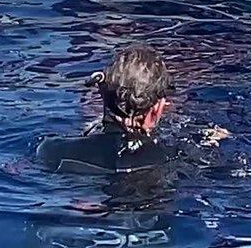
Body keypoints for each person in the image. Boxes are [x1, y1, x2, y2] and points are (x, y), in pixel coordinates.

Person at [36, 43, 229, 174]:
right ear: (156, 110)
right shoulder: (176, 155)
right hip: (148, 229)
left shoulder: (51, 149)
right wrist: (209, 142)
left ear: (101, 93)